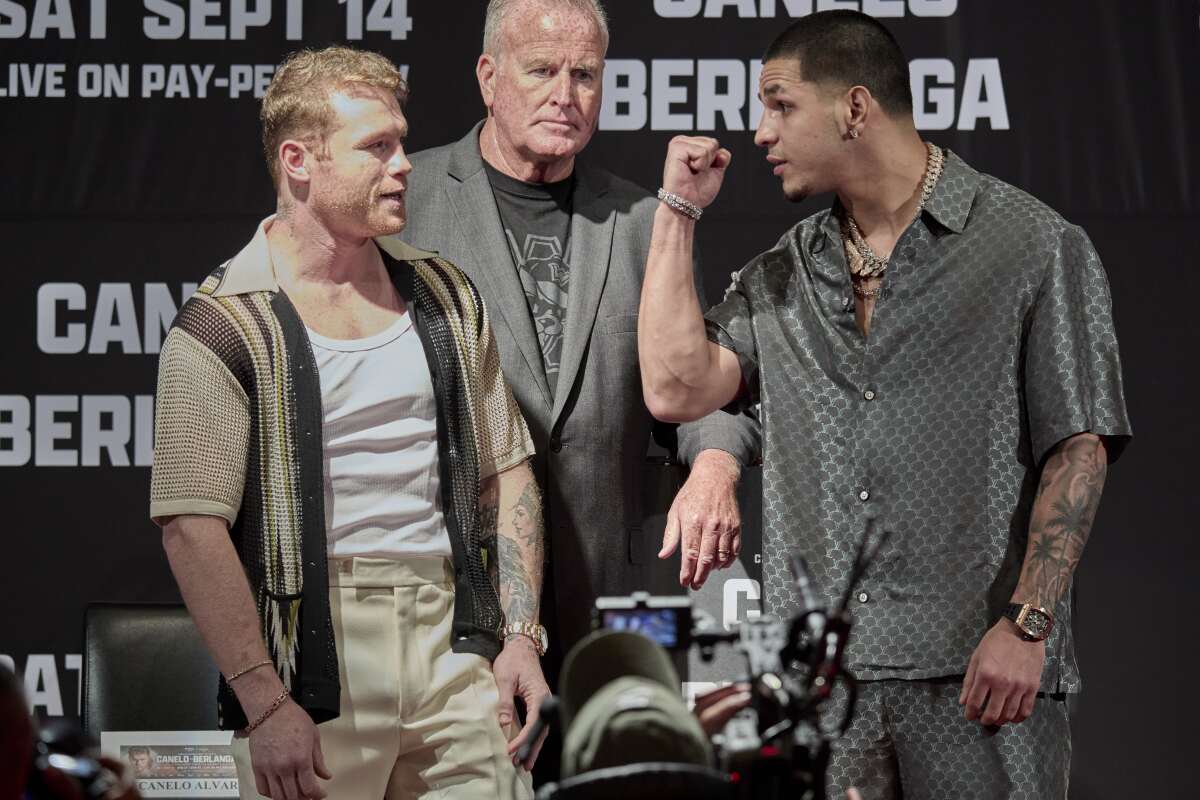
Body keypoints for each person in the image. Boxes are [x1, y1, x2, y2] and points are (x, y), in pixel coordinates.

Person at [637, 10, 1130, 800]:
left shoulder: (1033, 246)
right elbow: (676, 387)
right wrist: (677, 213)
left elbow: (1079, 447)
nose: (760, 131)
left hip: (978, 674)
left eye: (780, 104)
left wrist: (1029, 623)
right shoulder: (784, 271)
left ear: (854, 108)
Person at [151, 46, 546, 799]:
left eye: (401, 142)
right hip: (309, 659)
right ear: (298, 160)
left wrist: (521, 637)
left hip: (454, 643)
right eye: (377, 147)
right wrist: (265, 701)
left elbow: (507, 471)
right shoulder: (221, 326)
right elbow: (190, 527)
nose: (403, 165)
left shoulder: (445, 296)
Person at [399, 0, 760, 683]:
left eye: (585, 75)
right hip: (456, 599)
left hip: (609, 600)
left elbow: (693, 383)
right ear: (488, 77)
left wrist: (715, 465)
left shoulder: (644, 220)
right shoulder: (405, 201)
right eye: (541, 71)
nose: (566, 96)